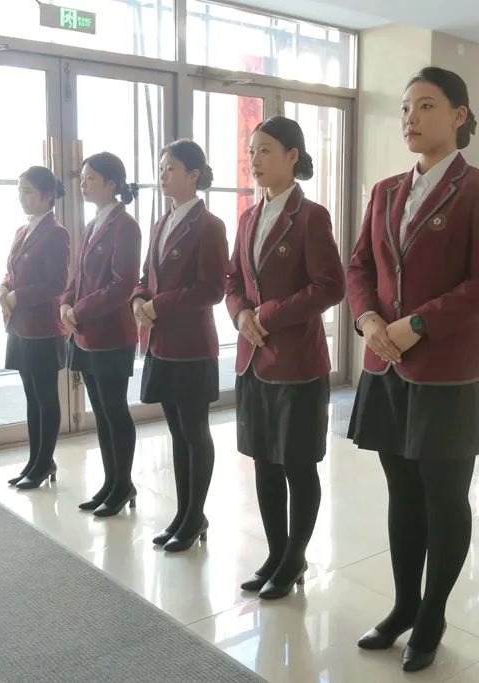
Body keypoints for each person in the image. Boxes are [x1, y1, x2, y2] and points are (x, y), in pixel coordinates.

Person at [346, 66, 479, 672]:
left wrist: (417, 324)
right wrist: (368, 318)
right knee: (402, 493)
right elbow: (359, 266)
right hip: (386, 366)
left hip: (447, 369)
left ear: (459, 115)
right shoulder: (386, 191)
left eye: (424, 106)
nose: (410, 119)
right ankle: (403, 606)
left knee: (445, 497)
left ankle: (433, 614)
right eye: (404, 108)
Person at [224, 116, 345, 600]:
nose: (254, 160)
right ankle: (276, 554)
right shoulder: (247, 219)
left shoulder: (311, 217)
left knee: (297, 465)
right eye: (252, 151)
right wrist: (240, 315)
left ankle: (296, 557)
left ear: (292, 156)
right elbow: (232, 280)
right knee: (264, 462)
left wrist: (268, 315)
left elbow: (330, 286)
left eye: (265, 150)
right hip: (252, 358)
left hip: (296, 363)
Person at [132, 139, 228, 553]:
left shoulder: (209, 226)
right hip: (161, 343)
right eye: (161, 167)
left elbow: (212, 289)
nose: (163, 174)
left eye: (171, 168)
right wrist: (138, 299)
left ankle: (195, 515)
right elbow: (146, 277)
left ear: (194, 175)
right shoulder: (161, 222)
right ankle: (185, 512)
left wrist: (157, 305)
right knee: (176, 431)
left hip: (191, 346)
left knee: (194, 431)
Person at [61, 152, 141, 517]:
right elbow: (78, 276)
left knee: (114, 411)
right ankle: (112, 482)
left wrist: (78, 310)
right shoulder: (93, 223)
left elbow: (122, 285)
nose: (83, 183)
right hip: (85, 333)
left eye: (90, 178)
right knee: (102, 413)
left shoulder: (125, 226)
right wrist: (65, 303)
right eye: (82, 177)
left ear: (111, 183)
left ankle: (123, 484)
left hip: (111, 334)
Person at [0, 166, 71, 490]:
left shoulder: (57, 233)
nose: (21, 197)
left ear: (46, 196)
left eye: (27, 191)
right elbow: (11, 273)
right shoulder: (22, 230)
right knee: (31, 397)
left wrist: (18, 296)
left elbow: (57, 284)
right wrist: (3, 288)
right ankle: (35, 460)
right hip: (20, 324)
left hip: (43, 327)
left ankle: (44, 462)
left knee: (45, 396)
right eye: (20, 191)